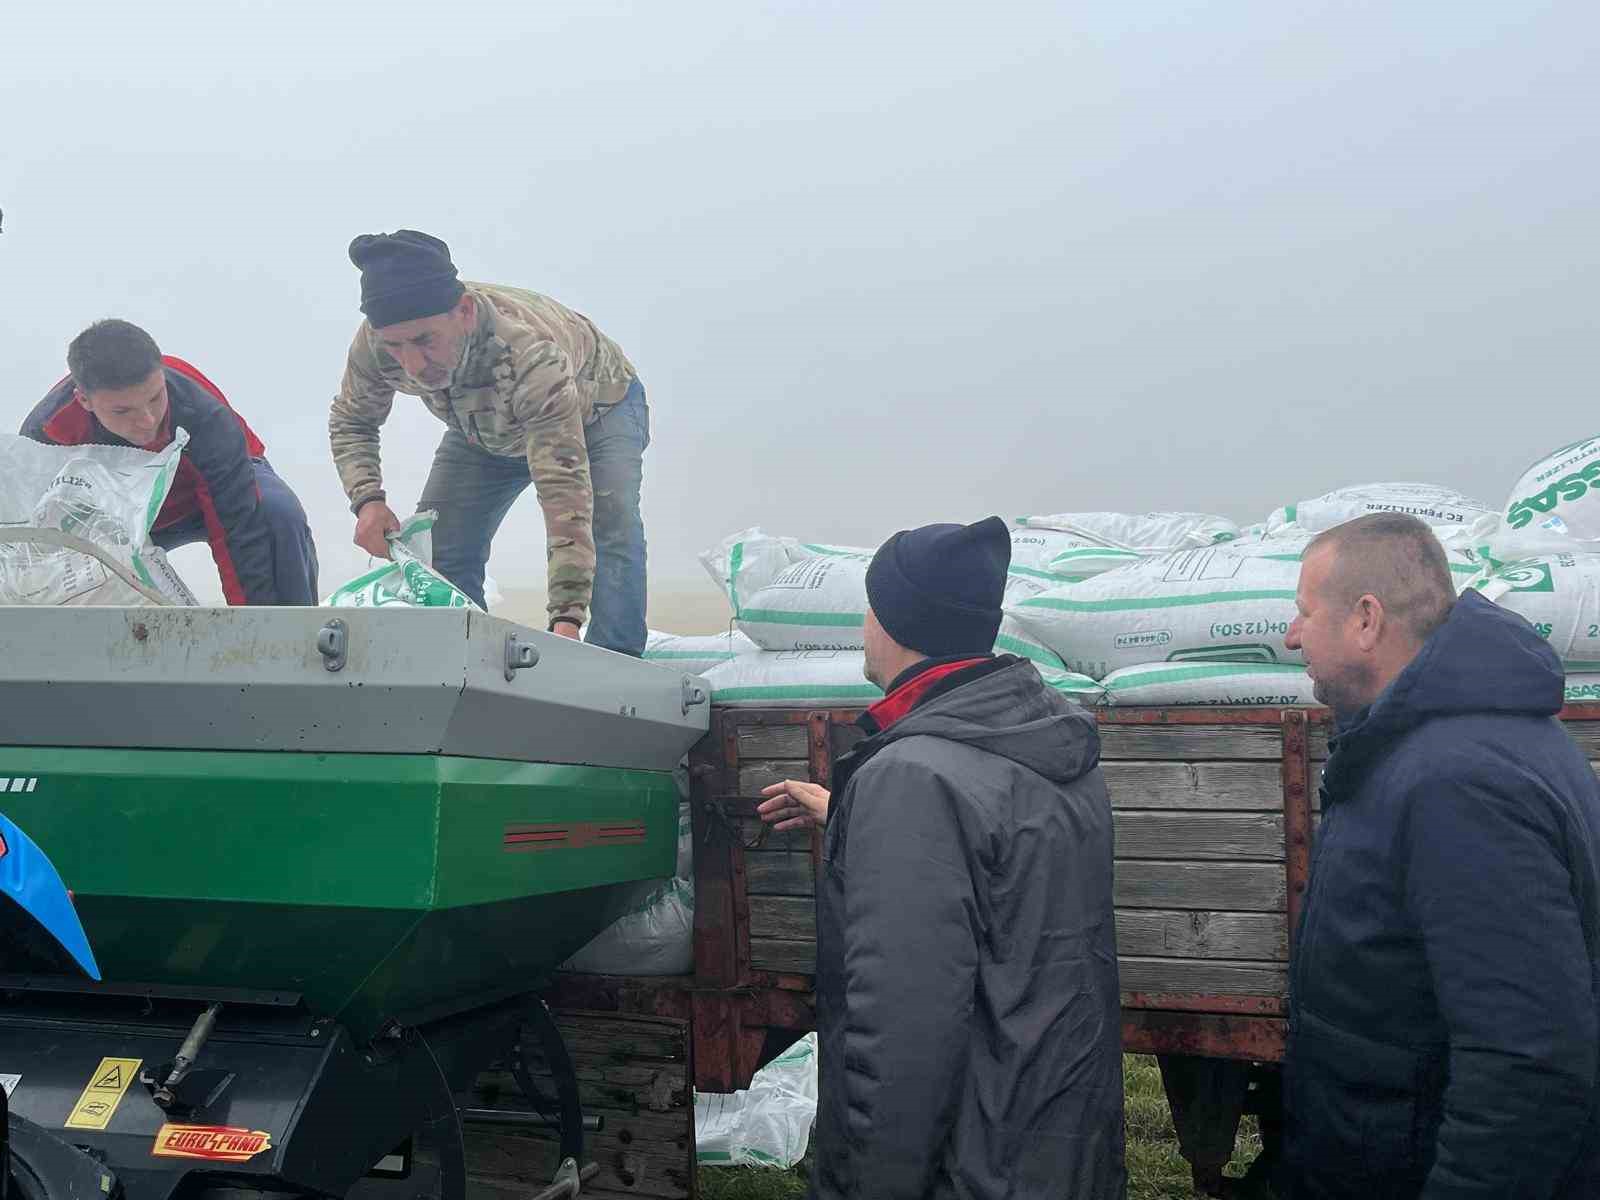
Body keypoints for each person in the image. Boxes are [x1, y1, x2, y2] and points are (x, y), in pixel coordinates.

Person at [758, 517, 1125, 1199]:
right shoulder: (1046, 740)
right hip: (1053, 1145)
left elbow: (902, 1039)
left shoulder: (915, 779)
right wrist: (851, 816)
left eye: (871, 607)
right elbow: (1005, 885)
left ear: (895, 619)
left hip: (967, 1168)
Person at [1281, 512, 1600, 1198]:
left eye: (1305, 612)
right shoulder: (1421, 749)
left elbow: (1526, 1060)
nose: (1291, 635)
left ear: (1366, 620)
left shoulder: (1457, 783)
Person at [329, 230, 648, 654]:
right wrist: (367, 499)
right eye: (395, 346)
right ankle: (463, 660)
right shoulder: (373, 345)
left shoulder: (528, 355)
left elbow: (565, 498)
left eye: (425, 341)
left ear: (462, 311)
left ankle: (614, 661)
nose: (413, 364)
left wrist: (566, 621)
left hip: (596, 409)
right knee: (441, 550)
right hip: (481, 428)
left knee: (610, 521)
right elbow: (352, 419)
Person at [22, 320, 318, 605]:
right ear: (83, 400)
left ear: (162, 375)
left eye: (155, 398)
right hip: (121, 516)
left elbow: (239, 531)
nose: (147, 420)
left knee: (275, 512)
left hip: (217, 492)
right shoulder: (46, 434)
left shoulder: (205, 415)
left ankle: (293, 640)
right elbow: (39, 544)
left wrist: (258, 632)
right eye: (123, 411)